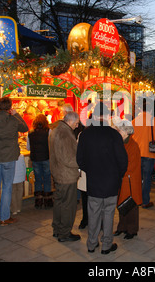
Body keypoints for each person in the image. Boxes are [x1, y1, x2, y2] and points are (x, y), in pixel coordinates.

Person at [77, 103, 128, 254]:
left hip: (94, 181)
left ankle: (92, 244)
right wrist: (118, 174)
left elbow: (80, 159)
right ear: (107, 116)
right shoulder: (114, 135)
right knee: (108, 213)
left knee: (93, 212)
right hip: (111, 181)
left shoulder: (85, 134)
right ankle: (106, 244)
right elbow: (122, 160)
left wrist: (91, 171)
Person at [0, 97, 29, 226]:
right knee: (7, 187)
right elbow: (25, 128)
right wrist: (16, 114)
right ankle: (4, 217)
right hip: (9, 157)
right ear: (10, 107)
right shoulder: (13, 120)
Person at [49, 111, 81, 242]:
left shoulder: (56, 130)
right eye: (76, 123)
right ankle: (64, 233)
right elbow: (68, 158)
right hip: (66, 175)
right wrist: (82, 162)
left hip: (58, 173)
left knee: (59, 202)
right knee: (68, 204)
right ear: (71, 121)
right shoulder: (65, 134)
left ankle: (57, 228)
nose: (77, 126)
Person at [132, 103, 155, 208]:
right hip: (149, 154)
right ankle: (145, 201)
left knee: (137, 178)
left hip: (136, 154)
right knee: (146, 178)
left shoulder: (134, 121)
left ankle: (136, 199)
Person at [113, 118, 142, 239]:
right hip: (123, 179)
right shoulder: (122, 142)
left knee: (131, 205)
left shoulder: (133, 145)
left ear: (126, 131)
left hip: (129, 180)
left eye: (119, 130)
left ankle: (132, 229)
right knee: (121, 204)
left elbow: (131, 165)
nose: (118, 131)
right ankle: (122, 227)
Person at [27, 114, 52, 209]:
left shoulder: (30, 133)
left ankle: (38, 200)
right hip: (46, 157)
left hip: (35, 158)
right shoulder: (49, 131)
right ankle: (48, 200)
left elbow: (28, 147)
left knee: (37, 179)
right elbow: (51, 145)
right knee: (47, 178)